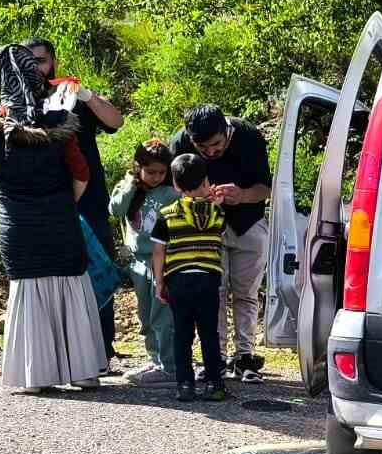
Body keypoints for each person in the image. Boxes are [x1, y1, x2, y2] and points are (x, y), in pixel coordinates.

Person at [0, 44, 104, 394]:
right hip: (61, 222)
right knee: (70, 287)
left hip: (17, 226)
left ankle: (35, 376)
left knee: (29, 291)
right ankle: (82, 372)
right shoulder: (59, 122)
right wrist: (65, 204)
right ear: (35, 76)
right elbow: (81, 173)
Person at [25, 36, 125, 371]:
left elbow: (115, 121)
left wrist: (85, 94)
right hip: (46, 204)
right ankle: (60, 355)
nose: (37, 66)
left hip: (90, 201)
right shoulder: (22, 103)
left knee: (98, 273)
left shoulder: (72, 96)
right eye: (29, 60)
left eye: (41, 60)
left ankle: (102, 353)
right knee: (52, 279)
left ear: (53, 60)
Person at [169, 104, 272, 379]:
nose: (212, 152)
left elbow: (265, 188)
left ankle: (245, 357)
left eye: (216, 144)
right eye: (203, 148)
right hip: (206, 228)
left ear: (226, 130)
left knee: (246, 293)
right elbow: (175, 190)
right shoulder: (179, 143)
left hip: (249, 223)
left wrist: (242, 195)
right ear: (191, 141)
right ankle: (216, 357)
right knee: (214, 292)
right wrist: (201, 200)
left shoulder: (249, 136)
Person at [151, 154, 229, 403]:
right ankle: (215, 384)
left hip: (179, 281)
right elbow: (220, 231)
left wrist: (160, 282)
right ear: (206, 181)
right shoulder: (217, 214)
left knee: (182, 334)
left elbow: (159, 251)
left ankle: (185, 385)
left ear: (175, 185)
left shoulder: (167, 214)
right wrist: (214, 203)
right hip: (208, 280)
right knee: (209, 333)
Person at [108, 139, 180, 387]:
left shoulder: (171, 194)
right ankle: (154, 358)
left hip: (163, 261)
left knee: (163, 314)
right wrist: (130, 183)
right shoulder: (129, 189)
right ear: (138, 168)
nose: (157, 177)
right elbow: (115, 210)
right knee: (145, 314)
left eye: (162, 172)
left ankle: (169, 366)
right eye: (150, 172)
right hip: (138, 262)